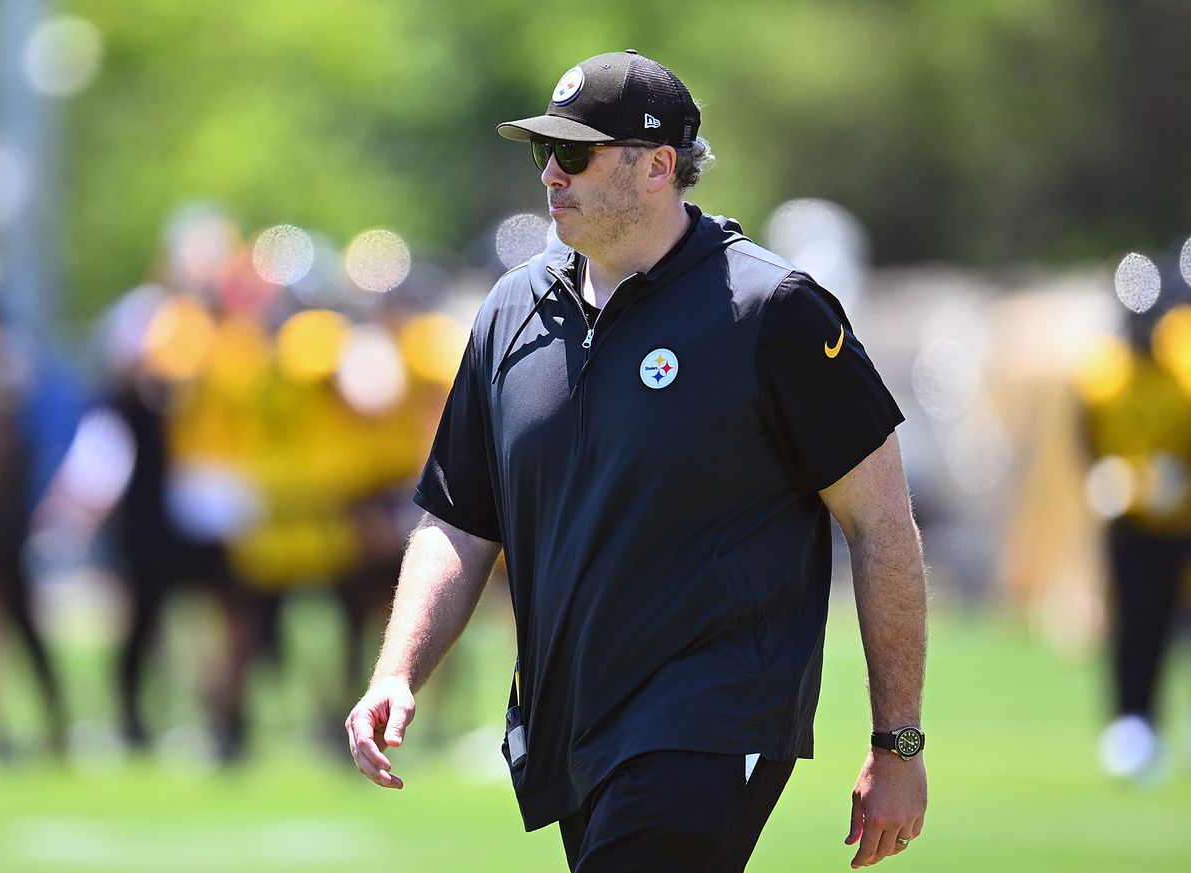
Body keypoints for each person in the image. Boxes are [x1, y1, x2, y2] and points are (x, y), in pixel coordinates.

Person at [346, 50, 928, 871]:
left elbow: (882, 526)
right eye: (543, 151)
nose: (551, 173)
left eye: (576, 153)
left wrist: (897, 740)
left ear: (659, 166)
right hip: (572, 726)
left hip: (712, 719)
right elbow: (460, 521)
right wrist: (398, 671)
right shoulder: (510, 312)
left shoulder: (775, 313)